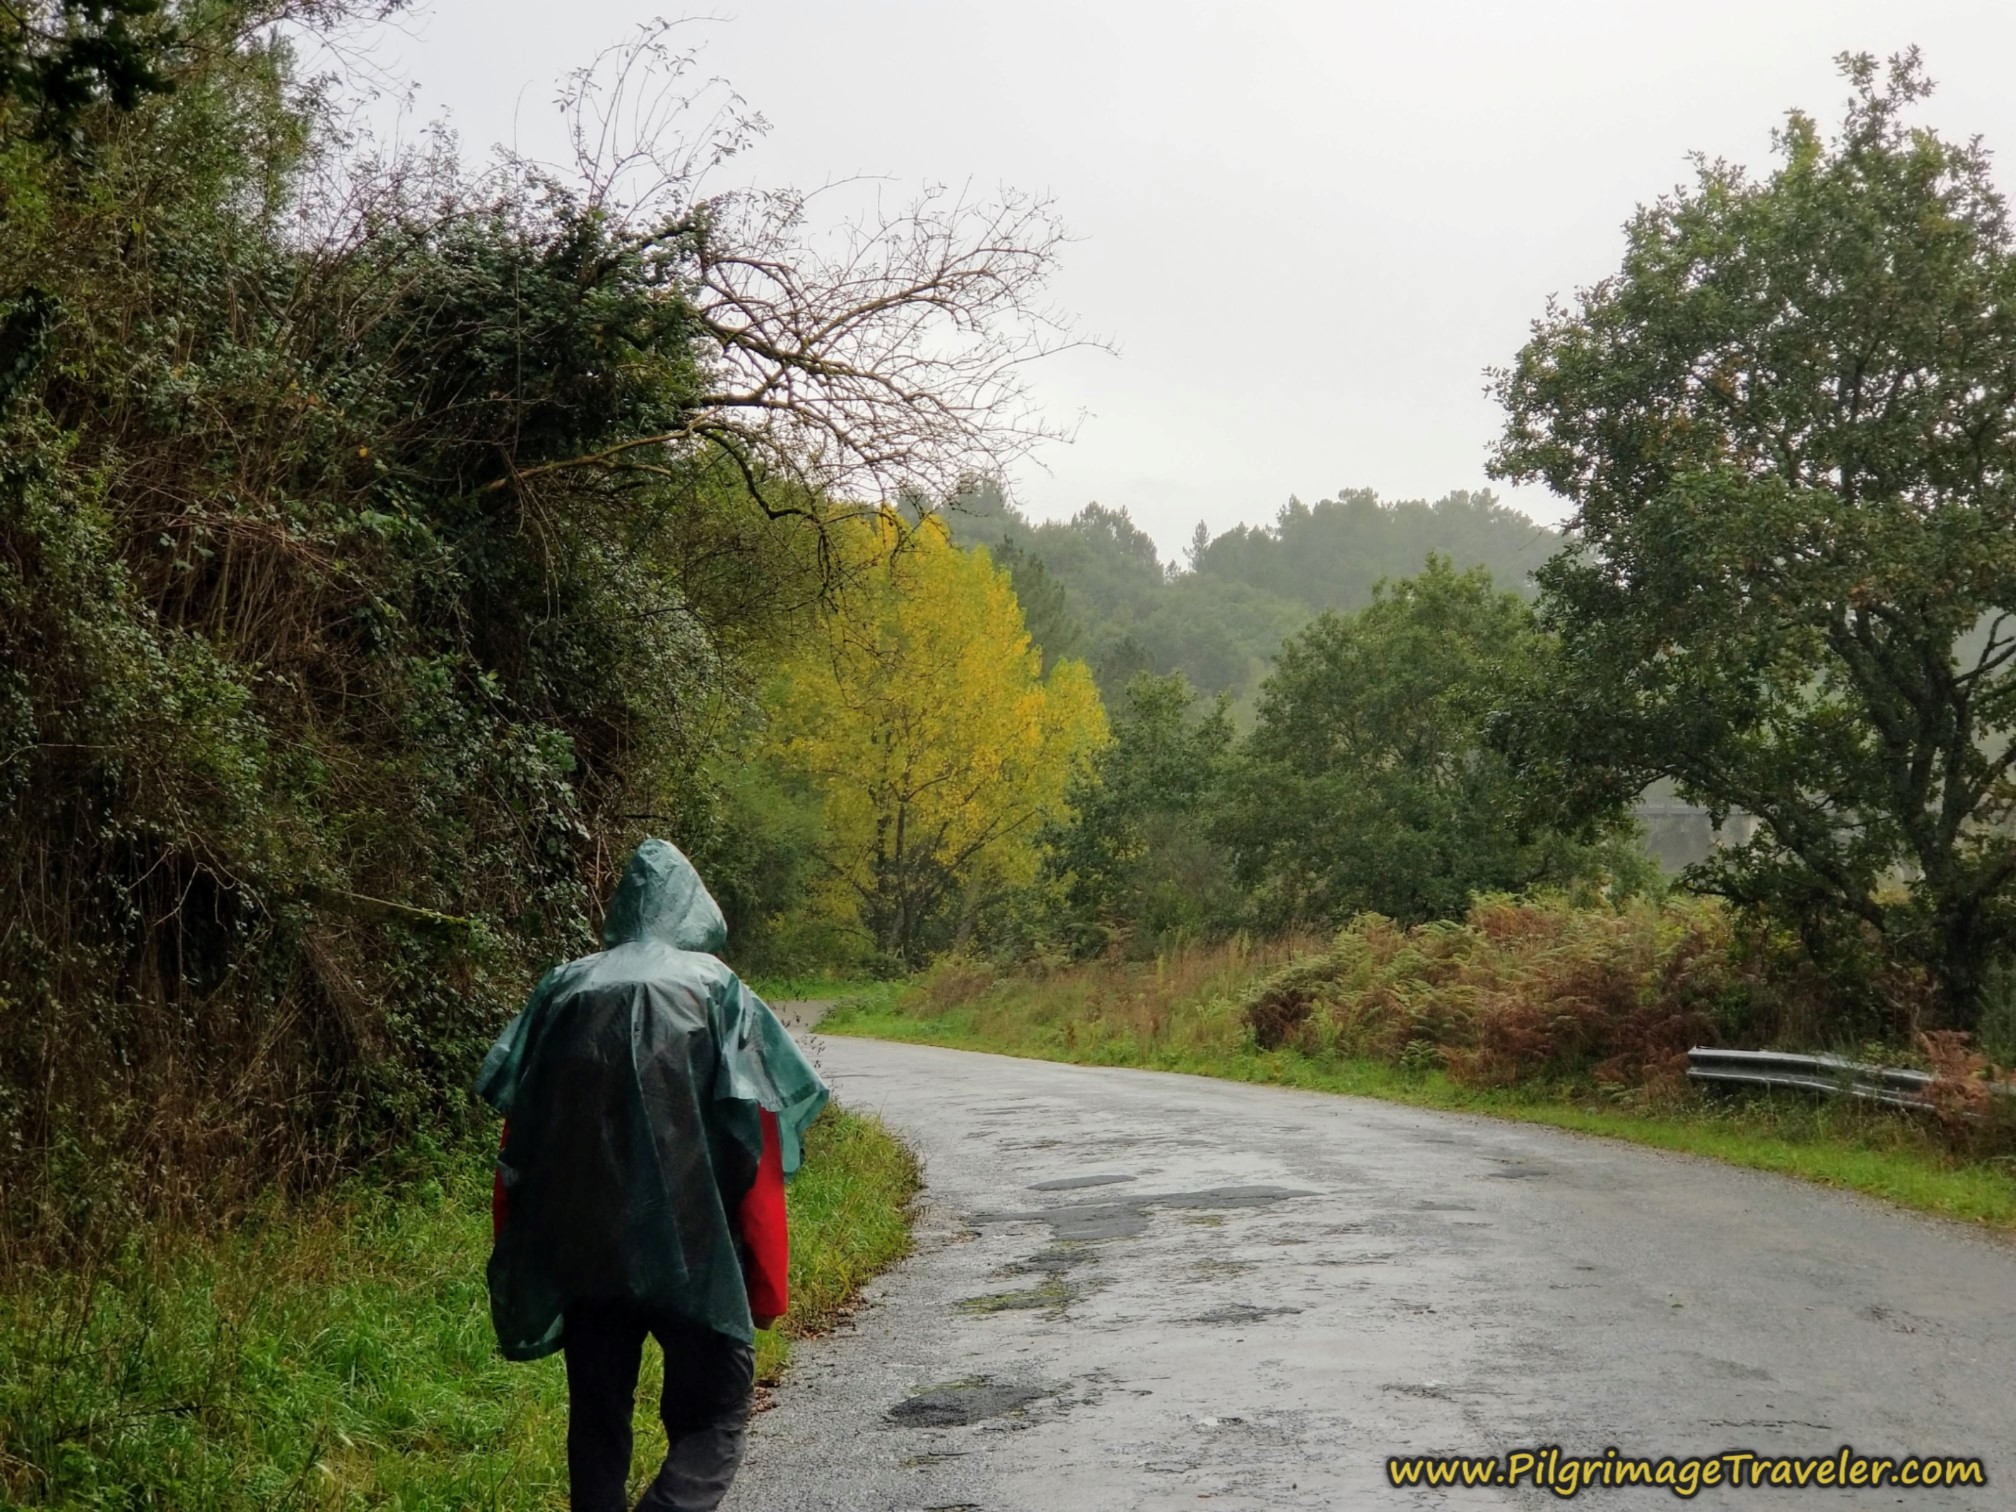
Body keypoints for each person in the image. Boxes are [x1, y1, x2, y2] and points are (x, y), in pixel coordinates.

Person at [474, 839, 829, 1512]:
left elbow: (521, 1141)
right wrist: (762, 1282)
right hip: (694, 1252)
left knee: (598, 1426)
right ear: (691, 911)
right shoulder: (717, 988)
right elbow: (755, 1140)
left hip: (586, 1252)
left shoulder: (564, 987)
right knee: (715, 1416)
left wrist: (525, 1247)